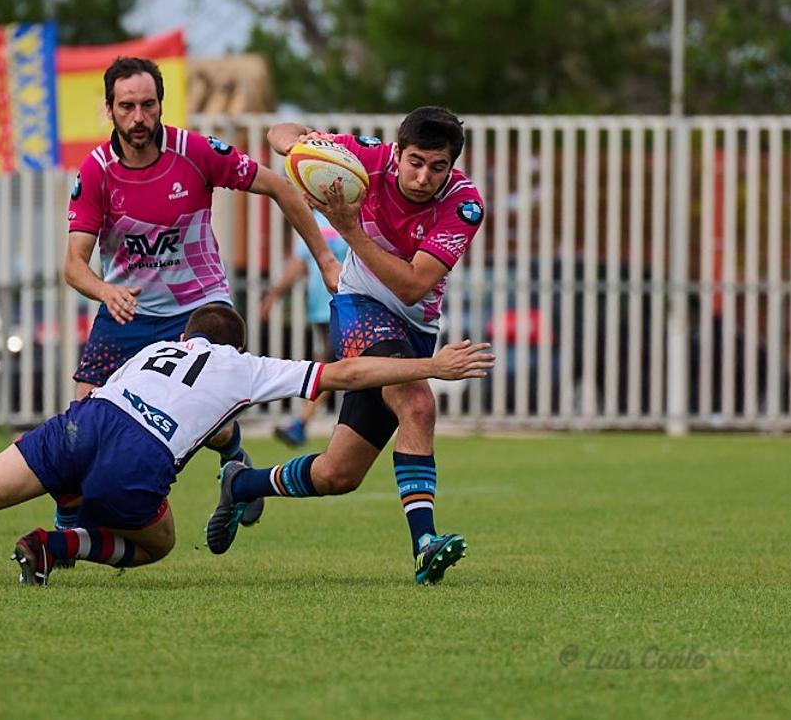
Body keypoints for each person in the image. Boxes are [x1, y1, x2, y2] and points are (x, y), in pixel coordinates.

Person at [0, 305, 494, 587]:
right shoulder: (242, 367)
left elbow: (204, 423)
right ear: (233, 344)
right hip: (137, 457)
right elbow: (348, 373)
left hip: (82, 424)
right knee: (159, 542)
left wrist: (228, 453)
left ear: (186, 336)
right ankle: (62, 544)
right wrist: (431, 364)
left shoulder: (153, 352)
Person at [205, 107, 486, 586]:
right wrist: (301, 148)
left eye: (437, 167)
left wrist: (350, 229)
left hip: (413, 324)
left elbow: (412, 287)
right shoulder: (366, 159)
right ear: (397, 152)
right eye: (415, 162)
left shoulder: (463, 204)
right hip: (358, 307)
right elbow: (279, 132)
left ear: (452, 166)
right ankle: (425, 544)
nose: (423, 177)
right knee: (418, 403)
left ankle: (243, 482)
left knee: (338, 475)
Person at [58, 56, 341, 533]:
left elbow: (280, 186)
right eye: (127, 106)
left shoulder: (194, 151)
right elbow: (73, 265)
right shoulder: (97, 172)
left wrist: (326, 260)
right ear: (109, 109)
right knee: (77, 430)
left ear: (161, 104)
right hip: (128, 311)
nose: (139, 117)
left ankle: (232, 461)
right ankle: (69, 530)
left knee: (203, 418)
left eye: (148, 105)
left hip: (199, 310)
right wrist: (105, 290)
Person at [259, 210, 349, 447]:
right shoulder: (315, 220)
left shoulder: (351, 214)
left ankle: (301, 422)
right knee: (332, 364)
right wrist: (275, 294)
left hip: (346, 306)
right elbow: (299, 262)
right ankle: (304, 424)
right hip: (320, 308)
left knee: (330, 364)